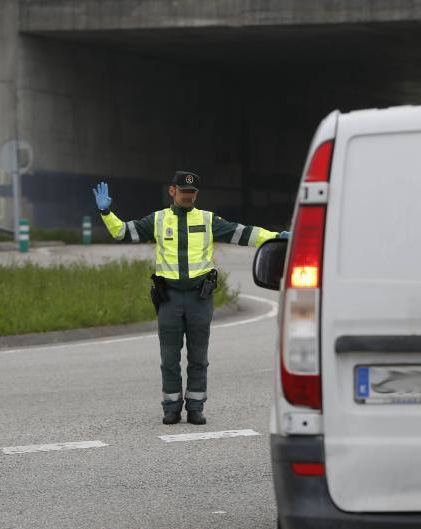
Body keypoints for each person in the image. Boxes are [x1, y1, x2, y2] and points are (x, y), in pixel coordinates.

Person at [92, 171, 289, 425]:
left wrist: (275, 237)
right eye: (184, 192)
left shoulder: (208, 220)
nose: (188, 196)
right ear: (172, 191)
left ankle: (195, 407)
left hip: (199, 299)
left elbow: (244, 233)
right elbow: (122, 233)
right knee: (169, 358)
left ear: (196, 194)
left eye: (192, 193)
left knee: (199, 357)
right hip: (169, 300)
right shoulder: (158, 220)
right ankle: (171, 408)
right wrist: (106, 213)